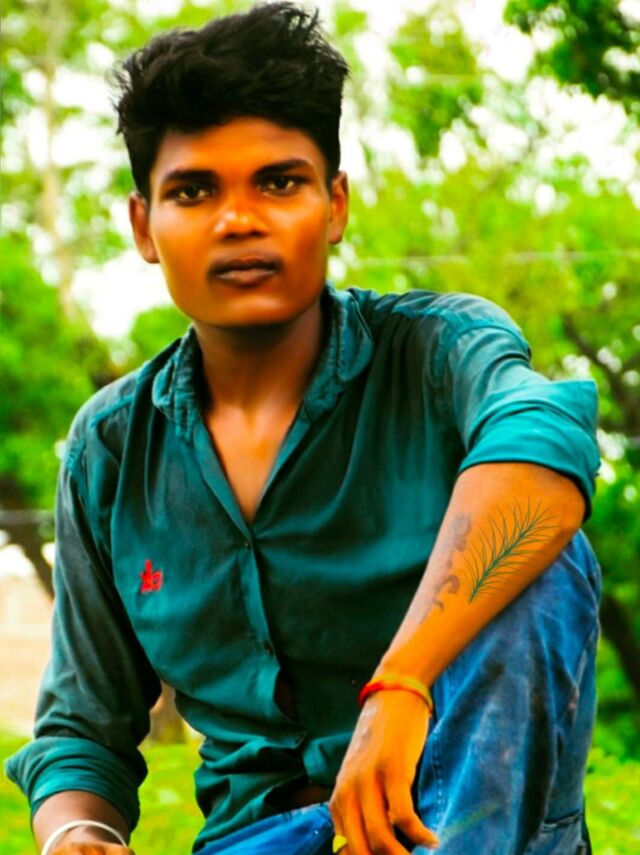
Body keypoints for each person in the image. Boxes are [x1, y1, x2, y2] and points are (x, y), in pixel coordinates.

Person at [6, 4, 601, 854]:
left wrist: (402, 683)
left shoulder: (437, 353)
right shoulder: (111, 448)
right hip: (260, 838)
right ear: (144, 226)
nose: (238, 220)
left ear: (335, 205)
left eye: (279, 183)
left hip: (456, 816)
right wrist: (77, 833)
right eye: (194, 191)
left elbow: (544, 446)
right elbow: (81, 727)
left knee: (539, 552)